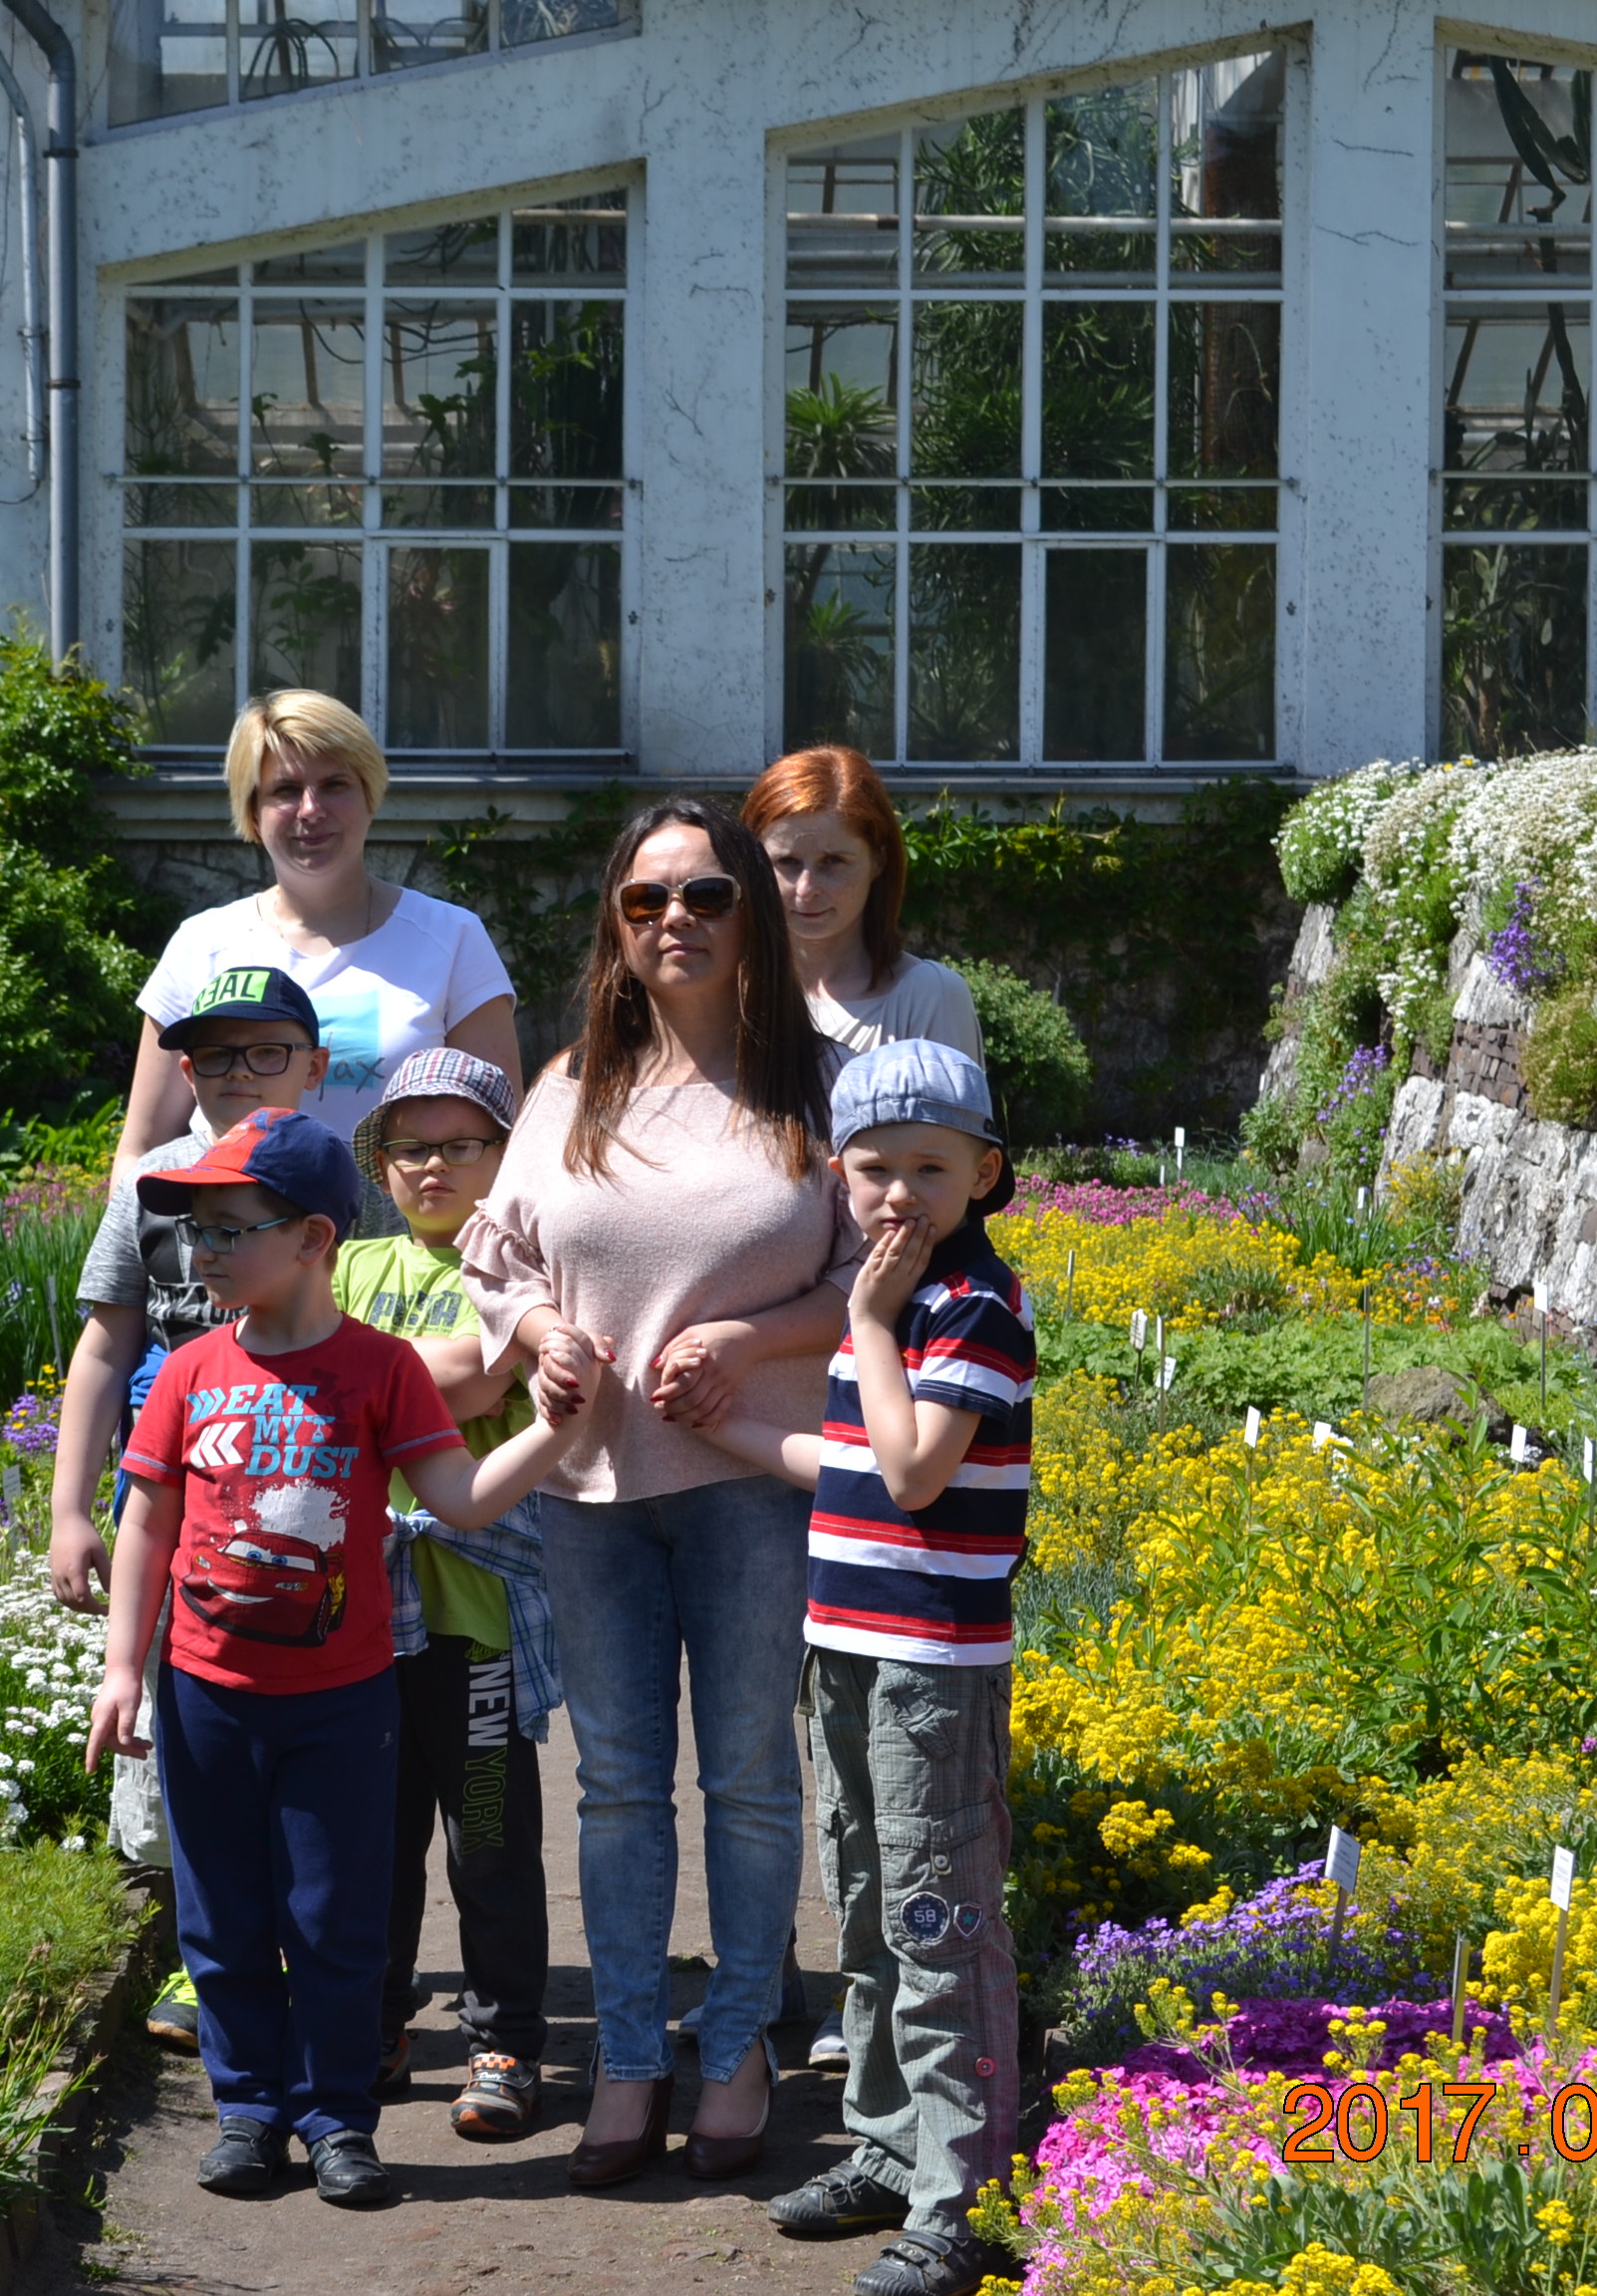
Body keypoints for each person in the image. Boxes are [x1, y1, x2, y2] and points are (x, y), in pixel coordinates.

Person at [81, 1108, 609, 2212]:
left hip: (343, 1700)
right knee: (223, 1917)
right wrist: (124, 1668)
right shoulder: (186, 1371)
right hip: (205, 1696)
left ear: (314, 1237)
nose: (202, 1251)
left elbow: (458, 1496)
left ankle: (334, 2119)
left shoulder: (380, 1370)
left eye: (230, 1229)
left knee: (336, 1920)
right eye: (194, 1231)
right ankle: (247, 2113)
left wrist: (556, 1430)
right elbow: (148, 1521)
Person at [455, 796, 860, 2191]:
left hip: (755, 1483)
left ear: (751, 907)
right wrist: (537, 1335)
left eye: (703, 894)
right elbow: (497, 1255)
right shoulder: (572, 1087)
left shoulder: (819, 1084)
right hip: (592, 1490)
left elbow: (877, 1271)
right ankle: (630, 2058)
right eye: (644, 901)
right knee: (619, 1787)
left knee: (748, 1780)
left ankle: (737, 2045)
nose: (673, 919)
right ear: (616, 928)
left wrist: (748, 1342)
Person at [697, 1038, 1031, 2296]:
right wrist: (730, 1424)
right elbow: (851, 1470)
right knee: (866, 1905)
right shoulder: (892, 1313)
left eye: (930, 1170)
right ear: (838, 1173)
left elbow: (913, 1471)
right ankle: (892, 2148)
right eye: (874, 1168)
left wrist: (872, 1323)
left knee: (937, 1918)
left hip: (931, 1668)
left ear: (984, 1173)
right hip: (846, 1647)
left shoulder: (971, 1305)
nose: (899, 1194)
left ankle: (966, 2195)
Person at [50, 965, 332, 2051]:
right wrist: (71, 1508)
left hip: (299, 1484)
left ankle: (310, 1952)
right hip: (168, 1489)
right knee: (174, 1719)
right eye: (214, 1054)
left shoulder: (333, 1179)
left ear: (313, 1066)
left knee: (295, 1711)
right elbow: (105, 1342)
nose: (238, 1073)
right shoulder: (152, 1184)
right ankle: (200, 1949)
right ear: (184, 1068)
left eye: (266, 1052)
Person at [334, 1049, 557, 2142]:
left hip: (476, 1620)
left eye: (461, 1144)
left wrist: (378, 1379)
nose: (433, 1166)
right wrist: (442, 1370)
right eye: (409, 1147)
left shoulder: (524, 1272)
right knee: (370, 1841)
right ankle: (373, 2025)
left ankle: (505, 2036)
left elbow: (482, 1372)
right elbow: (368, 1379)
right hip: (356, 1621)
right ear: (380, 1164)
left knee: (488, 1839)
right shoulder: (344, 1264)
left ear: (507, 1156)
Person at [114, 690, 522, 1184]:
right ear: (253, 811)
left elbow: (505, 1145)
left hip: (405, 1234)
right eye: (285, 790)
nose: (310, 809)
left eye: (334, 785)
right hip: (228, 1231)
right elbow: (142, 1148)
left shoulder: (453, 938)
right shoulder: (201, 945)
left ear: (370, 796)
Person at [745, 745, 984, 1059]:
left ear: (878, 860)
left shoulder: (929, 996)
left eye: (832, 861)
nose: (806, 889)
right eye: (787, 862)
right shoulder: (726, 993)